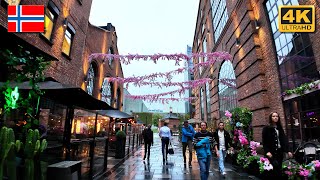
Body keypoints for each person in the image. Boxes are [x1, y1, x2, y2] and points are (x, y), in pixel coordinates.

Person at [262, 112, 293, 178]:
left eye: (277, 116)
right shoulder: (266, 128)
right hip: (271, 153)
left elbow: (284, 140)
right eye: (273, 116)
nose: (275, 117)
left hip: (279, 152)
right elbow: (264, 142)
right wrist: (267, 151)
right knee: (272, 170)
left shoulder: (279, 128)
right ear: (271, 118)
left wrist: (288, 151)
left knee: (278, 169)